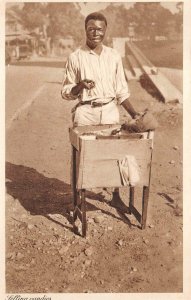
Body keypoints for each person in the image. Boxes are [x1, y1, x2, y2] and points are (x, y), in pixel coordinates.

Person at [61, 12, 140, 212]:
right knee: (83, 157)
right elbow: (65, 92)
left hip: (110, 111)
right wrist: (80, 85)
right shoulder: (75, 57)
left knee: (114, 153)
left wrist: (134, 114)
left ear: (105, 30)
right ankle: (79, 197)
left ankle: (115, 195)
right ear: (85, 30)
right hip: (86, 112)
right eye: (91, 29)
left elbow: (121, 91)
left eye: (100, 29)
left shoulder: (113, 56)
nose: (96, 33)